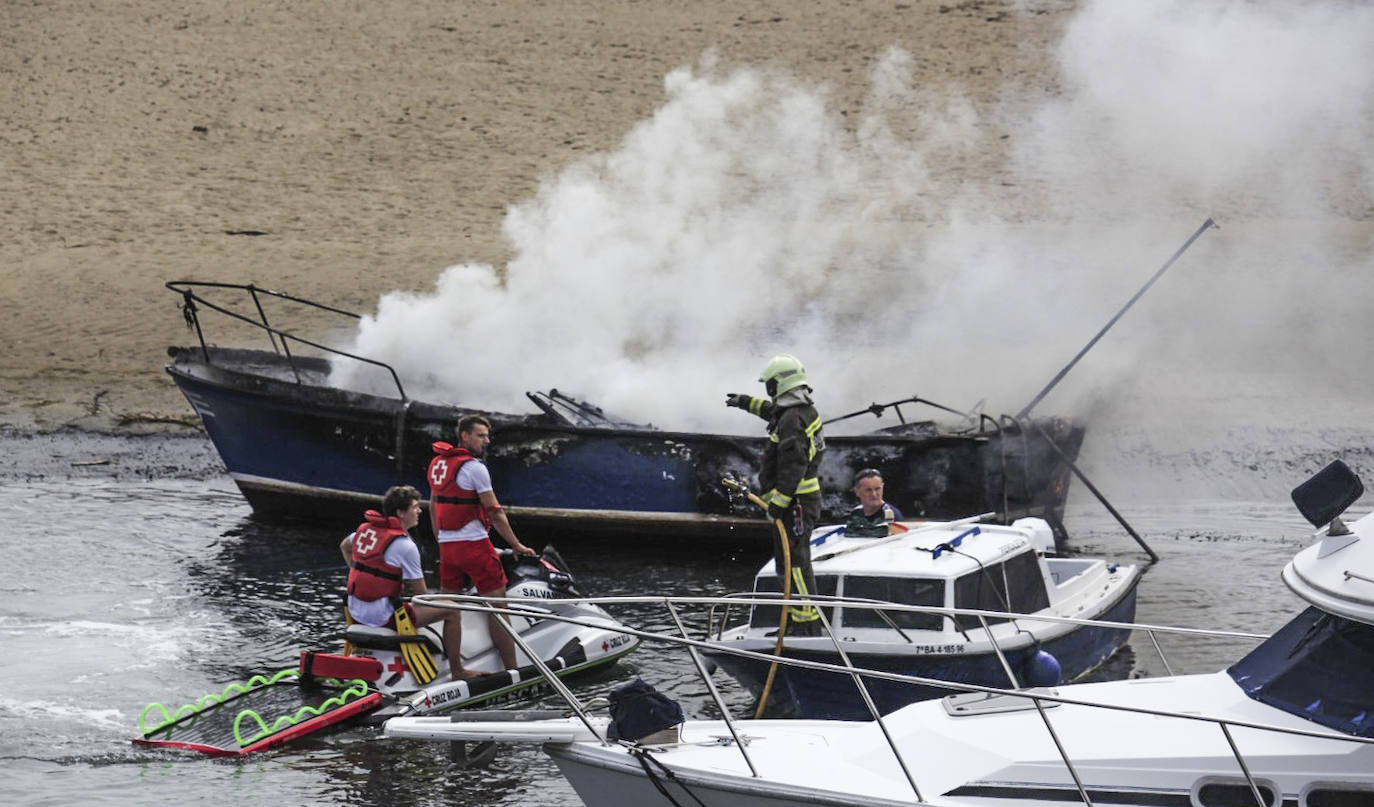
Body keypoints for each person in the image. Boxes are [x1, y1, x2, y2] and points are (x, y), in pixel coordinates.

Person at [428, 414, 537, 674]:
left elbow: (433, 505)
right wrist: (517, 544)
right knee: (498, 607)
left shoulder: (437, 464)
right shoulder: (475, 468)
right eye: (481, 435)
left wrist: (440, 538)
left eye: (488, 436)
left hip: (447, 548)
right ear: (464, 435)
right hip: (475, 547)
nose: (486, 441)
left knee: (450, 608)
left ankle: (457, 669)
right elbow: (495, 511)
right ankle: (512, 671)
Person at [726, 353, 824, 635]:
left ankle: (806, 626)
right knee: (788, 562)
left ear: (779, 384)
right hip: (797, 502)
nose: (767, 391)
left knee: (795, 564)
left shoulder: (793, 419)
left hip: (796, 503)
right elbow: (772, 411)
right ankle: (795, 620)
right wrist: (745, 403)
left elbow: (794, 465)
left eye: (769, 385)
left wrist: (778, 503)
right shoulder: (796, 411)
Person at [339, 485, 468, 679]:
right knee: (452, 610)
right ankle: (459, 671)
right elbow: (421, 597)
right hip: (382, 616)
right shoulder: (405, 546)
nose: (419, 511)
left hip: (355, 610)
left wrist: (361, 576)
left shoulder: (364, 532)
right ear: (400, 512)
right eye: (415, 507)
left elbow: (344, 546)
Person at [844, 468, 904, 537]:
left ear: (883, 488)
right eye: (868, 490)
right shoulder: (855, 514)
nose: (874, 494)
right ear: (857, 492)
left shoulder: (891, 515)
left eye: (877, 489)